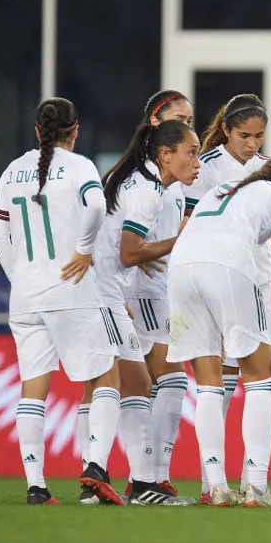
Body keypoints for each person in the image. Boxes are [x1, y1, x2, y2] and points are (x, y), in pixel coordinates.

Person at [0, 97, 125, 505]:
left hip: (26, 295)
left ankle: (36, 486)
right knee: (104, 377)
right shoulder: (81, 166)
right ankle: (94, 470)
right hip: (70, 288)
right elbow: (97, 205)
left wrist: (23, 277)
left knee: (33, 389)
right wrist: (84, 249)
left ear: (37, 131)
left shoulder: (12, 171)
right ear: (75, 129)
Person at [168, 158, 271, 508]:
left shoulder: (221, 191)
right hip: (228, 268)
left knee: (209, 385)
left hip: (180, 270)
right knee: (260, 380)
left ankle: (215, 487)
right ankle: (256, 487)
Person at [87, 117, 200, 506]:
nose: (197, 162)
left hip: (107, 292)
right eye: (191, 152)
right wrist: (177, 241)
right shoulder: (149, 192)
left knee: (118, 383)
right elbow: (129, 252)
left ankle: (101, 478)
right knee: (134, 383)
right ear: (165, 154)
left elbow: (126, 247)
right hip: (102, 294)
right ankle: (141, 484)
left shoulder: (138, 179)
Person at [125, 90, 195, 498]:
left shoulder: (170, 182)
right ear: (157, 122)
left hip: (162, 289)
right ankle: (149, 478)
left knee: (145, 384)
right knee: (167, 380)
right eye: (180, 118)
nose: (188, 123)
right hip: (142, 291)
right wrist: (152, 251)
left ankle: (139, 477)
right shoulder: (145, 181)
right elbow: (127, 244)